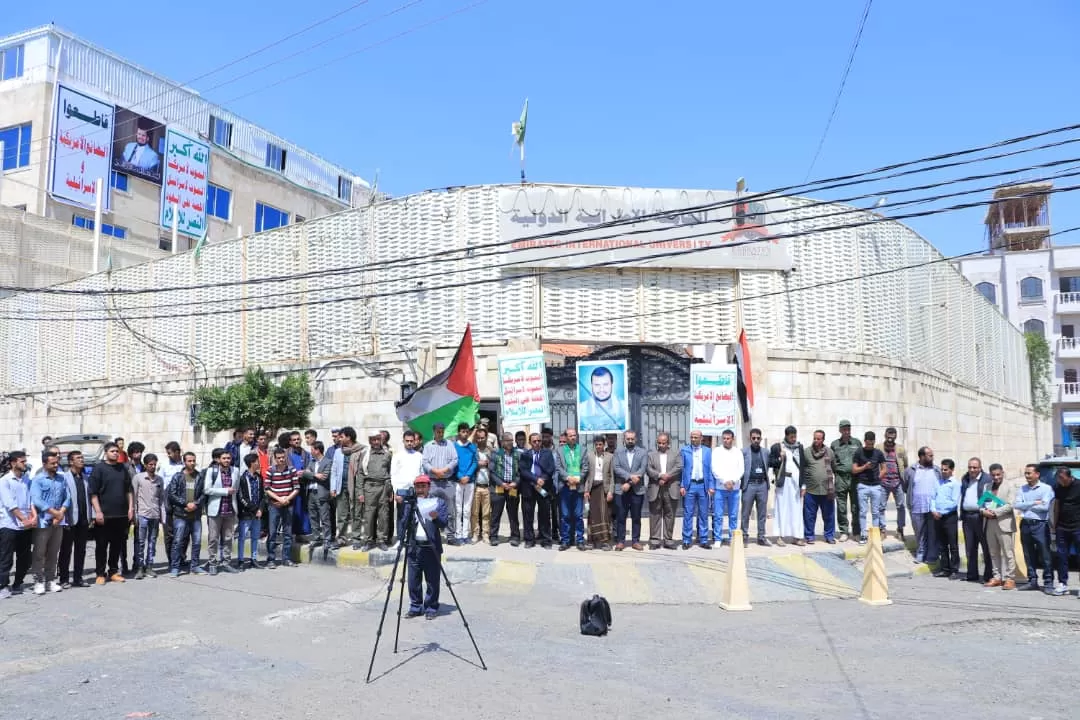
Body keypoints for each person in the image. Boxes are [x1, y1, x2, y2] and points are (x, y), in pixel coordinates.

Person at [402, 475, 448, 620]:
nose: (420, 489)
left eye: (423, 486)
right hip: (414, 547)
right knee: (413, 580)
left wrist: (436, 518)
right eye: (418, 487)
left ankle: (431, 607)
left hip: (431, 548)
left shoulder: (438, 502)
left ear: (428, 487)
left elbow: (444, 523)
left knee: (432, 580)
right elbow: (403, 523)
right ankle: (415, 607)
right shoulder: (410, 503)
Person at [88, 442, 133, 584]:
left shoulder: (123, 468)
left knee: (117, 545)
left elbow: (129, 490)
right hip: (104, 515)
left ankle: (113, 571)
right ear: (106, 452)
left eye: (117, 451)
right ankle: (100, 573)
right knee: (101, 546)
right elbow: (93, 493)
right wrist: (98, 512)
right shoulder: (99, 469)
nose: (115, 453)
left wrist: (131, 508)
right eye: (112, 451)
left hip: (121, 514)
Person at [30, 452, 70, 595]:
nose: (55, 465)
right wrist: (54, 512)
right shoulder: (38, 480)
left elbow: (68, 497)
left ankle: (50, 579)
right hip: (43, 522)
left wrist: (61, 512)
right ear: (44, 464)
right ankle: (38, 581)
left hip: (58, 522)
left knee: (53, 552)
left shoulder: (61, 478)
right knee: (39, 553)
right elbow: (37, 500)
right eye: (52, 463)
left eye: (56, 462)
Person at [0, 452, 36, 598]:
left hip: (25, 526)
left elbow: (31, 500)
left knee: (25, 557)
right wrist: (24, 519)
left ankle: (18, 584)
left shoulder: (26, 480)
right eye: (22, 461)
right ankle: (3, 586)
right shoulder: (5, 481)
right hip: (9, 525)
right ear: (13, 463)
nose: (25, 464)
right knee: (6, 558)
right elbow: (10, 505)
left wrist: (34, 516)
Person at [1014, 463, 1054, 592]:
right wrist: (1034, 502)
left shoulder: (1046, 489)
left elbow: (1044, 507)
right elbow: (1017, 505)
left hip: (1040, 524)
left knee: (1045, 554)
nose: (1027, 476)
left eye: (1029, 473)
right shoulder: (1022, 489)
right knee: (1028, 554)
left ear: (1037, 474)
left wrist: (1026, 505)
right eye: (1025, 473)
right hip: (1025, 523)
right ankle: (1032, 580)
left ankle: (1048, 582)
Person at [203, 449, 241, 575]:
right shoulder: (212, 471)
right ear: (219, 459)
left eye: (228, 458)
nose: (226, 460)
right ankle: (213, 563)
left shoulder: (235, 471)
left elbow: (237, 489)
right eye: (224, 458)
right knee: (213, 538)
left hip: (230, 509)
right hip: (215, 510)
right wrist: (225, 491)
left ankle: (226, 562)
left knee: (228, 538)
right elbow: (207, 490)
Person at [59, 450, 93, 588]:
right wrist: (63, 518)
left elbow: (89, 498)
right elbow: (62, 499)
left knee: (81, 550)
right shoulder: (64, 478)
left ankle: (78, 578)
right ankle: (64, 578)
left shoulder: (85, 478)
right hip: (69, 519)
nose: (82, 460)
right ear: (71, 462)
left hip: (84, 519)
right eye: (78, 458)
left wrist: (92, 516)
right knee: (66, 550)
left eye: (82, 457)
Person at [166, 452, 203, 577]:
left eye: (194, 461)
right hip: (181, 515)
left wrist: (196, 504)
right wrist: (186, 504)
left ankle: (195, 566)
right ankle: (175, 567)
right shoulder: (177, 476)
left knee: (197, 541)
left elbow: (204, 494)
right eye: (189, 461)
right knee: (178, 541)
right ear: (184, 462)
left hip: (196, 515)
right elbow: (172, 494)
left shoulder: (199, 476)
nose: (192, 463)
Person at [981, 463, 1016, 590]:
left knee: (1008, 553)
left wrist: (995, 512)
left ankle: (1010, 578)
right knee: (993, 552)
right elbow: (982, 503)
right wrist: (983, 511)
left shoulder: (1010, 485)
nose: (996, 477)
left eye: (998, 474)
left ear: (1003, 473)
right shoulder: (987, 486)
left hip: (1004, 523)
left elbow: (1011, 505)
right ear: (990, 475)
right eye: (993, 475)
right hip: (989, 523)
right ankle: (997, 577)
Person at [769, 426, 807, 546]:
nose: (793, 439)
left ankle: (797, 536)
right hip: (783, 481)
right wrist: (780, 457)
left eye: (795, 436)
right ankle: (780, 536)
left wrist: (803, 485)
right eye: (791, 437)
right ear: (786, 435)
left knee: (796, 510)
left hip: (796, 483)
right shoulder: (778, 447)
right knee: (782, 509)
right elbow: (770, 462)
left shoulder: (799, 447)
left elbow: (803, 467)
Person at [421, 423, 458, 542]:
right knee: (430, 509)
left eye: (442, 431)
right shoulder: (428, 446)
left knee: (450, 510)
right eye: (438, 431)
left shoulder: (450, 445)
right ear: (434, 432)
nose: (440, 433)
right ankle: (430, 533)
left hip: (447, 482)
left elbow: (455, 460)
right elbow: (425, 462)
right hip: (432, 482)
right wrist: (435, 471)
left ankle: (450, 535)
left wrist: (444, 470)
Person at [519, 432, 556, 548]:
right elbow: (523, 470)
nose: (537, 443)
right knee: (528, 515)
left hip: (544, 488)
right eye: (534, 441)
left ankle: (546, 540)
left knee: (544, 514)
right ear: (530, 442)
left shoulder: (547, 453)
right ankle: (529, 539)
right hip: (528, 488)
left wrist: (542, 479)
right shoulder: (525, 454)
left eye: (539, 441)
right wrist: (535, 480)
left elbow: (551, 468)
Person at [905, 447, 942, 564]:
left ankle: (932, 555)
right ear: (921, 457)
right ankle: (921, 553)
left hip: (933, 508)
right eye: (930, 455)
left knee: (933, 532)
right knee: (919, 532)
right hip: (916, 506)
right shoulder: (910, 470)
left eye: (932, 455)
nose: (932, 458)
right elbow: (905, 486)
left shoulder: (937, 470)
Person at [612, 430, 648, 551]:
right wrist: (629, 478)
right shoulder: (618, 452)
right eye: (628, 439)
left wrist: (630, 483)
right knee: (621, 517)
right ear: (624, 439)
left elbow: (642, 470)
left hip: (637, 490)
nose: (630, 441)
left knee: (636, 517)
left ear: (636, 439)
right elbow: (616, 468)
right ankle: (621, 541)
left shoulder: (642, 452)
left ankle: (635, 541)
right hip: (621, 490)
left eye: (632, 439)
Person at [264, 448, 300, 569]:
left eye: (283, 457)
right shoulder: (271, 471)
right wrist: (279, 500)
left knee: (288, 533)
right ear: (275, 458)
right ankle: (271, 559)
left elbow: (296, 487)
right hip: (274, 505)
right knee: (272, 532)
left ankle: (287, 558)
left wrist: (287, 499)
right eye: (278, 458)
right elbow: (267, 489)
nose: (281, 460)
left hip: (288, 504)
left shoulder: (292, 470)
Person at [646, 432, 683, 550]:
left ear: (668, 443)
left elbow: (679, 466)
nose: (661, 445)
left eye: (664, 443)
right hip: (656, 487)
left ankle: (668, 540)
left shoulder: (676, 453)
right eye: (659, 443)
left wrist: (667, 476)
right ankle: (655, 540)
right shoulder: (651, 455)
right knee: (655, 514)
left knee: (670, 514)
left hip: (671, 487)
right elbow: (648, 469)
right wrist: (660, 476)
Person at [131, 453, 165, 579]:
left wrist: (162, 516)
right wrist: (134, 514)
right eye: (150, 464)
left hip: (155, 514)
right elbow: (134, 497)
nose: (153, 466)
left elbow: (161, 499)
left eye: (155, 464)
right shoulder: (138, 478)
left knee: (152, 541)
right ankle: (139, 567)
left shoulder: (159, 479)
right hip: (142, 514)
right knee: (140, 542)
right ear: (145, 465)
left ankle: (149, 566)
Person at [357, 433, 393, 552]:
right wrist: (360, 492)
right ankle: (368, 541)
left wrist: (390, 490)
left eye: (378, 439)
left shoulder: (387, 454)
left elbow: (391, 472)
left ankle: (381, 540)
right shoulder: (365, 454)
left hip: (383, 487)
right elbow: (360, 474)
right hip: (369, 487)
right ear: (370, 441)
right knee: (369, 515)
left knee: (383, 515)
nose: (376, 442)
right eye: (374, 440)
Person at [959, 457, 992, 584]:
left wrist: (981, 507)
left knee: (986, 547)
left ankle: (988, 575)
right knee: (970, 547)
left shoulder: (987, 479)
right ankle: (972, 574)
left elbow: (990, 497)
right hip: (967, 517)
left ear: (980, 467)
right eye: (970, 467)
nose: (972, 470)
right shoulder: (965, 478)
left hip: (981, 517)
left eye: (974, 467)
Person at [554, 428, 587, 551]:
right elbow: (558, 467)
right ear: (566, 438)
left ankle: (580, 540)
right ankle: (565, 540)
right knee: (565, 515)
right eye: (570, 436)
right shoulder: (560, 450)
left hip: (578, 486)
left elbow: (585, 467)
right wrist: (568, 478)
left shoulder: (582, 449)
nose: (573, 437)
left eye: (575, 435)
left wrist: (578, 478)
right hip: (565, 486)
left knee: (578, 515)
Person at [680, 430, 713, 549]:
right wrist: (682, 485)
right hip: (690, 485)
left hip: (703, 485)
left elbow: (710, 470)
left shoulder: (707, 451)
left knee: (703, 514)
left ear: (701, 438)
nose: (693, 439)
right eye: (692, 437)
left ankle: (703, 539)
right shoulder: (685, 450)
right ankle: (686, 539)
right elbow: (682, 469)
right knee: (688, 513)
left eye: (696, 437)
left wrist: (711, 486)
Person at [851, 431, 885, 546]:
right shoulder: (859, 452)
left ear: (874, 441)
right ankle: (863, 535)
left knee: (876, 512)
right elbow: (854, 470)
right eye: (868, 443)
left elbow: (884, 469)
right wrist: (865, 467)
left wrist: (878, 477)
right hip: (863, 485)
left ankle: (875, 535)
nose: (870, 445)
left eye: (872, 443)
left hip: (876, 486)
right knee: (862, 512)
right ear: (865, 441)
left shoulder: (878, 453)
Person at [710, 429, 744, 546]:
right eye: (724, 438)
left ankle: (732, 538)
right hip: (720, 487)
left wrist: (733, 481)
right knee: (718, 515)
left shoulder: (738, 452)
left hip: (734, 489)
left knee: (733, 516)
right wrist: (724, 481)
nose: (726, 440)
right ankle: (718, 539)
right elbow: (714, 468)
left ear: (732, 439)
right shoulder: (717, 451)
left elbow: (741, 470)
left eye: (728, 438)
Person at [390, 430, 424, 544]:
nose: (409, 443)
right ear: (403, 441)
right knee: (402, 517)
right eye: (407, 441)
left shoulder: (419, 456)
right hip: (402, 491)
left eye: (411, 441)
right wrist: (396, 493)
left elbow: (421, 474)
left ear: (415, 441)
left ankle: (411, 540)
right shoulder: (397, 456)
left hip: (415, 491)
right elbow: (393, 475)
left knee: (414, 517)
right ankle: (400, 540)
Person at [802, 430, 836, 545]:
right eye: (814, 438)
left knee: (829, 515)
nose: (816, 441)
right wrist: (803, 486)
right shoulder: (806, 452)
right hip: (811, 490)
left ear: (823, 440)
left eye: (818, 439)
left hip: (827, 490)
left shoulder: (830, 452)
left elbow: (834, 468)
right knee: (809, 515)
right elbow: (802, 470)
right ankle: (809, 536)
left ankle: (829, 536)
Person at [830, 420, 861, 542]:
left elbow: (861, 459)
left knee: (855, 506)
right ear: (840, 430)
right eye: (844, 429)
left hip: (855, 478)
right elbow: (832, 461)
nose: (846, 431)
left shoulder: (857, 443)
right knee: (841, 506)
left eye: (848, 429)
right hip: (841, 478)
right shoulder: (835, 444)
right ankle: (844, 531)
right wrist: (837, 473)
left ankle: (856, 531)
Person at [931, 459, 961, 579]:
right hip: (937, 516)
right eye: (942, 469)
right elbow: (932, 498)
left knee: (952, 545)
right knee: (942, 545)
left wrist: (941, 512)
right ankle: (945, 569)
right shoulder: (938, 482)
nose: (943, 472)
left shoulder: (955, 484)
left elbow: (954, 502)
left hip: (949, 517)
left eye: (946, 469)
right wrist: (933, 510)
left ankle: (954, 569)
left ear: (952, 470)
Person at [1052, 467, 1080, 596]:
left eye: (1062, 479)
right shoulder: (1058, 487)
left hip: (1077, 527)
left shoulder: (1078, 485)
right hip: (1062, 527)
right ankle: (1063, 583)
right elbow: (1057, 505)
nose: (1061, 481)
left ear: (1069, 477)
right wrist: (1055, 524)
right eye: (1059, 478)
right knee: (1061, 556)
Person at [741, 429, 771, 547]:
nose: (756, 440)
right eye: (754, 438)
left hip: (762, 484)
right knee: (745, 512)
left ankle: (761, 537)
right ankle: (744, 536)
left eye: (758, 438)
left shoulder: (765, 452)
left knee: (762, 513)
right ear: (750, 438)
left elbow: (770, 464)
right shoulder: (743, 452)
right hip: (749, 485)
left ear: (761, 439)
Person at [489, 433, 520, 546]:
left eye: (512, 440)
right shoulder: (496, 453)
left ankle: (515, 536)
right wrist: (501, 483)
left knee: (513, 513)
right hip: (499, 487)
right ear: (502, 442)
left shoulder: (517, 454)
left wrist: (515, 482)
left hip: (512, 487)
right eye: (508, 440)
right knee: (496, 513)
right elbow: (491, 472)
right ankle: (493, 536)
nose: (511, 442)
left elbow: (519, 472)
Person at [584, 435, 614, 550]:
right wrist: (586, 490)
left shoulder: (610, 457)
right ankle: (591, 541)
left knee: (604, 514)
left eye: (600, 444)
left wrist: (611, 491)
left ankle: (605, 541)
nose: (598, 446)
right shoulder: (590, 456)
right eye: (596, 444)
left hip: (604, 488)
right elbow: (587, 476)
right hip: (592, 488)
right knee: (592, 514)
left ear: (604, 444)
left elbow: (612, 476)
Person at [879, 428, 909, 540]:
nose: (890, 437)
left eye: (893, 435)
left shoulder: (900, 448)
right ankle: (882, 529)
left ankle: (900, 529)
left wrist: (903, 478)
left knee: (901, 506)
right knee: (881, 507)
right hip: (883, 482)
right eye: (889, 435)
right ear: (885, 435)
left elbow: (905, 465)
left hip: (898, 482)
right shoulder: (878, 447)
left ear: (896, 436)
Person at [236, 453, 264, 569]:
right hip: (246, 513)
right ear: (252, 463)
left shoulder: (259, 478)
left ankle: (254, 558)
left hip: (258, 514)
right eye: (257, 461)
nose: (259, 463)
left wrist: (261, 509)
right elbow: (241, 497)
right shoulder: (242, 478)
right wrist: (254, 509)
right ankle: (241, 560)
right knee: (242, 537)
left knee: (255, 537)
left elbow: (263, 495)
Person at [451, 423, 478, 546]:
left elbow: (474, 462)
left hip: (469, 481)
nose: (465, 434)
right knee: (458, 509)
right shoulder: (453, 446)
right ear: (458, 432)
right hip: (458, 481)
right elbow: (453, 463)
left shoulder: (472, 446)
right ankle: (458, 534)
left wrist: (468, 476)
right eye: (462, 431)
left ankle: (466, 534)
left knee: (467, 509)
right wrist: (460, 476)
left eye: (467, 431)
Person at [579, 366, 627, 431]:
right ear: (591, 385)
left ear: (612, 384)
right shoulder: (581, 409)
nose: (601, 389)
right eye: (597, 385)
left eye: (605, 384)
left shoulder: (624, 407)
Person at [305, 441, 332, 557]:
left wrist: (310, 474)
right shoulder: (311, 462)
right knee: (313, 516)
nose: (311, 452)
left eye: (312, 449)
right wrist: (315, 475)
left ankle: (327, 539)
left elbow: (325, 477)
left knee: (324, 517)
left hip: (321, 493)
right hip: (310, 492)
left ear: (317, 450)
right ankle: (316, 537)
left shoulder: (328, 462)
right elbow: (304, 474)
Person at [471, 429, 493, 544]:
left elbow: (495, 467)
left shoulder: (491, 450)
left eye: (482, 438)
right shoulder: (473, 450)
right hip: (475, 486)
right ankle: (475, 533)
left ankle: (485, 534)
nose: (480, 440)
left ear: (486, 437)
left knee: (486, 513)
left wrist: (489, 464)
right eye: (478, 438)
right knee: (474, 513)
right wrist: (477, 464)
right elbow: (468, 465)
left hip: (487, 486)